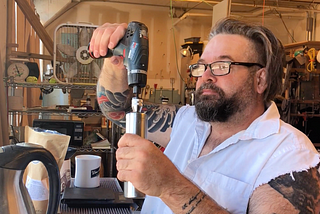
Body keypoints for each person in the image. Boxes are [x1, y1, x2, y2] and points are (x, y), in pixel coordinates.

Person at [89, 18, 320, 214]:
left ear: (260, 80)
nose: (206, 76)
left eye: (222, 65)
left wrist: (170, 186)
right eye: (201, 66)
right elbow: (117, 109)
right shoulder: (186, 120)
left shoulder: (291, 156)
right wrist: (117, 62)